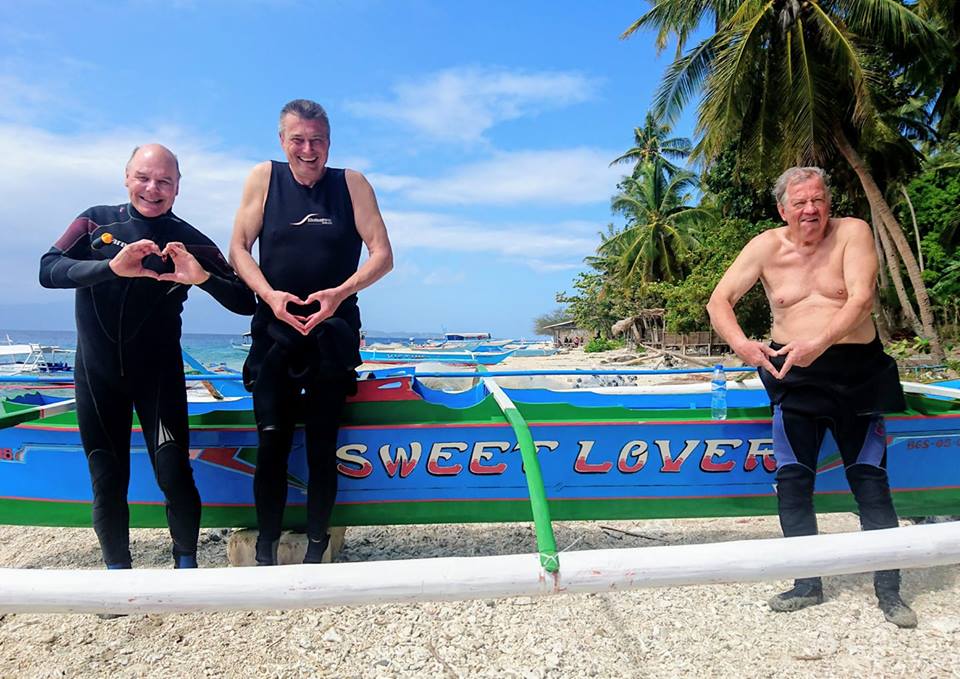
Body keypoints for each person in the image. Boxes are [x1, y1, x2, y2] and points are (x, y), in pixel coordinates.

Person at [706, 166, 917, 628]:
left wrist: (817, 344)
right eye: (799, 202)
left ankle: (889, 590)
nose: (811, 209)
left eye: (818, 199)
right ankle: (807, 583)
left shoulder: (852, 233)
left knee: (870, 481)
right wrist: (744, 346)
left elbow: (860, 299)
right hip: (793, 378)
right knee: (794, 480)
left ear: (828, 202)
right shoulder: (765, 247)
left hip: (856, 373)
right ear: (782, 209)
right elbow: (718, 301)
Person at [39, 144, 256, 570]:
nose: (152, 188)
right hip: (97, 375)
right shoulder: (94, 223)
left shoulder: (191, 241)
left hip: (158, 376)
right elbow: (48, 270)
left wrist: (204, 277)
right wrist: (109, 268)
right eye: (143, 177)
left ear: (177, 188)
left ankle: (186, 567)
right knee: (107, 479)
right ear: (126, 177)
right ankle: (118, 576)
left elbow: (245, 302)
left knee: (173, 473)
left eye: (164, 181)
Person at [229, 99, 393, 565]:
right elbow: (238, 248)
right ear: (283, 141)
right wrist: (269, 296)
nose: (308, 149)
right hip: (275, 330)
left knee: (322, 447)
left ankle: (318, 546)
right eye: (298, 140)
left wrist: (339, 293)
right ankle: (265, 549)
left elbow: (382, 255)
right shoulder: (264, 177)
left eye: (317, 140)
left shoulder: (352, 184)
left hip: (332, 330)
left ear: (329, 142)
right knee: (271, 443)